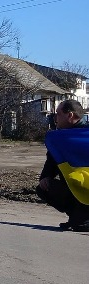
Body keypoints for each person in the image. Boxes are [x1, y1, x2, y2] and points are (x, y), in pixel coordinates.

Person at [37, 99, 89, 231]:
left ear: (70, 115)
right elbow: (52, 161)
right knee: (43, 188)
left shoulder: (85, 135)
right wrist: (45, 177)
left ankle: (82, 218)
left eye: (58, 114)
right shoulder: (60, 138)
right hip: (74, 187)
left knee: (80, 226)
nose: (55, 118)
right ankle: (77, 216)